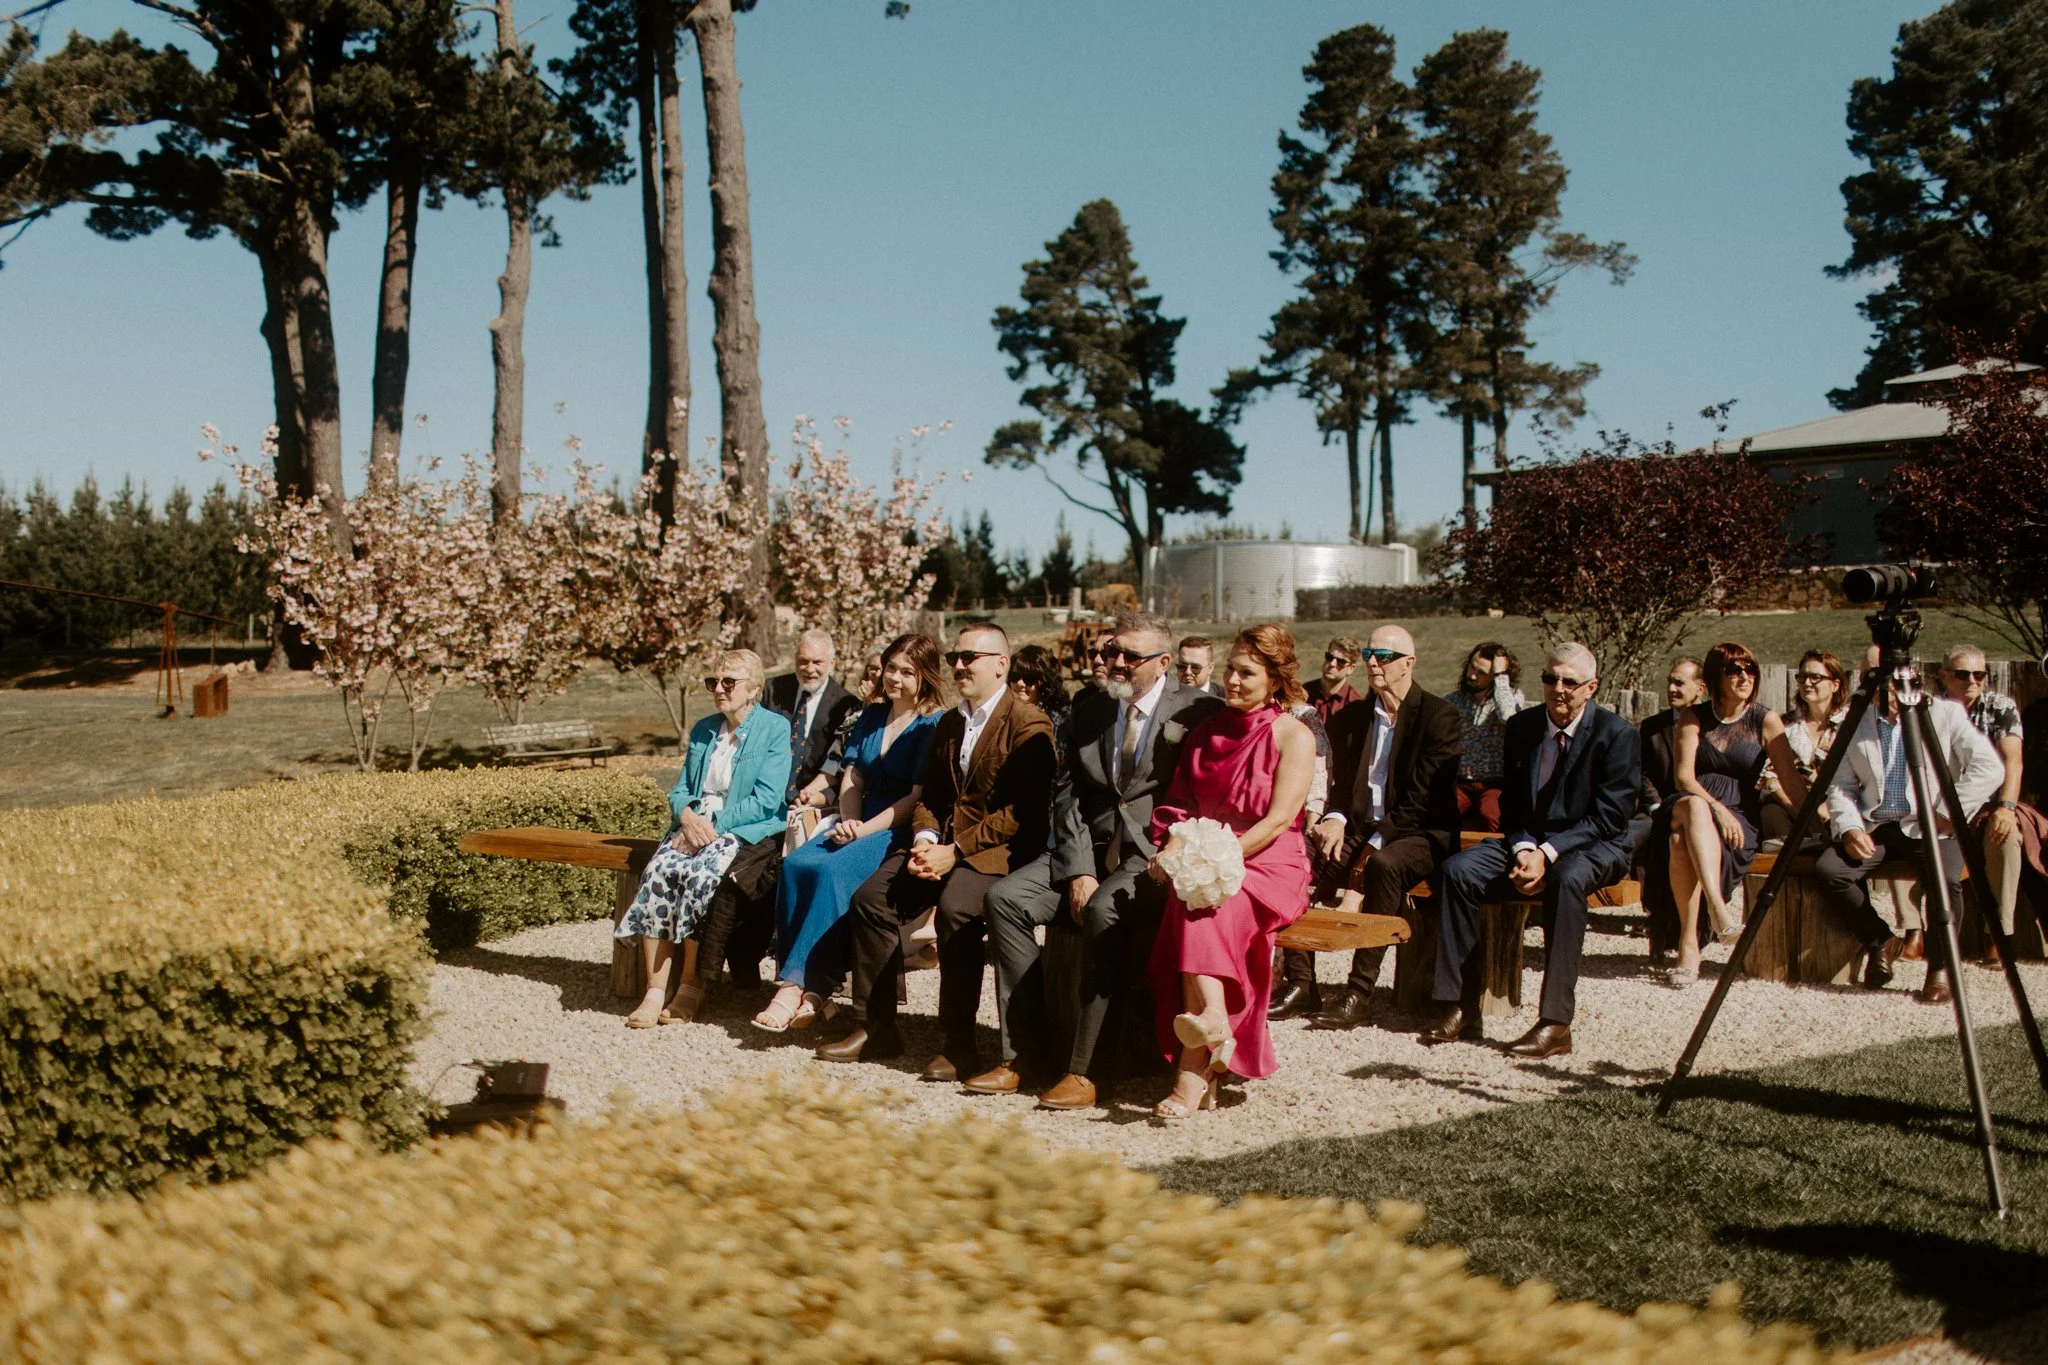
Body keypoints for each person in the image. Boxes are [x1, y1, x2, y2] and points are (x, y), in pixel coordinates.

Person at [979, 612, 1223, 1109]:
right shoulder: (1089, 709)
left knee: (1103, 911)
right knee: (1004, 898)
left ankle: (1087, 1071)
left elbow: (1206, 795)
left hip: (1151, 856)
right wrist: (1079, 869)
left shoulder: (1198, 711)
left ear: (1163, 663)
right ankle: (1024, 1053)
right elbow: (1067, 797)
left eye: (1130, 657)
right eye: (1112, 652)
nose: (1115, 663)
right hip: (1087, 851)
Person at [816, 623, 1056, 1074]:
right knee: (872, 901)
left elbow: (1020, 813)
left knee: (957, 908)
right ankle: (876, 1027)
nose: (960, 666)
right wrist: (925, 841)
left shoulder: (1028, 723)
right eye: (955, 658)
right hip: (942, 847)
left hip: (999, 852)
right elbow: (933, 799)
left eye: (971, 658)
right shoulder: (950, 722)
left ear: (1002, 665)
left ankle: (959, 1044)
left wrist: (956, 850)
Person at [1418, 643, 1639, 1059]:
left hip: (1595, 843)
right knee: (1458, 871)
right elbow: (1513, 806)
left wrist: (1548, 853)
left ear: (1590, 688)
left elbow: (1609, 818)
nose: (1558, 688)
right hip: (1528, 839)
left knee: (1568, 878)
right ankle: (1460, 1007)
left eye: (1569, 681)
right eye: (1550, 678)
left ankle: (1555, 1023)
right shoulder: (1522, 727)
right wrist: (1523, 847)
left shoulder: (1617, 735)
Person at [1144, 625, 1316, 1120]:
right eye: (1231, 671)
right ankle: (1211, 1032)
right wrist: (1176, 850)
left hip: (1270, 859)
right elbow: (1178, 804)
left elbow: (1281, 818)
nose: (1234, 682)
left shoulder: (1293, 735)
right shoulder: (1207, 731)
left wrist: (1217, 860)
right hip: (1212, 852)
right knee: (1192, 899)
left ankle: (1193, 1066)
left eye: (1247, 673)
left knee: (1208, 904)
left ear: (1275, 679)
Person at [752, 634, 945, 1033]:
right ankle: (808, 987)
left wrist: (864, 830)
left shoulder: (933, 723)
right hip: (858, 817)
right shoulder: (873, 715)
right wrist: (848, 820)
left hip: (897, 826)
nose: (894, 678)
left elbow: (915, 797)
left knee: (831, 874)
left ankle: (797, 985)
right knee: (797, 864)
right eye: (891, 667)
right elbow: (852, 775)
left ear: (925, 677)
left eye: (907, 672)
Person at [1278, 625, 1463, 1030]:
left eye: (1384, 655)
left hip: (1420, 832)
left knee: (1384, 865)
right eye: (1368, 654)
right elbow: (1342, 783)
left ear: (1409, 663)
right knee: (1294, 853)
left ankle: (1359, 993)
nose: (1373, 663)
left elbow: (1420, 800)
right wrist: (1336, 818)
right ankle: (1301, 983)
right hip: (1360, 827)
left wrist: (1370, 846)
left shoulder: (1439, 718)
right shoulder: (1356, 717)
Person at [615, 649, 791, 1028]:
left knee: (701, 880)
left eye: (729, 682)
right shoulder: (704, 729)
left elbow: (767, 799)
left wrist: (711, 827)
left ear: (755, 689)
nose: (719, 689)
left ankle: (691, 985)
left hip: (741, 827)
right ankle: (654, 989)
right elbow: (679, 789)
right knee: (659, 871)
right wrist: (687, 816)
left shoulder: (773, 729)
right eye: (714, 682)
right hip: (697, 824)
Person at [1818, 654, 2002, 1005]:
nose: (1884, 683)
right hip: (1879, 823)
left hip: (1930, 823)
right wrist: (1850, 827)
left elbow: (1989, 767)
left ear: (1910, 675)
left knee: (1946, 882)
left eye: (1891, 674)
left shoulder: (1943, 713)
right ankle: (1880, 939)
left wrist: (1948, 809)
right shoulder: (1857, 721)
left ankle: (1940, 968)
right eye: (1875, 675)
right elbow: (1841, 784)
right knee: (1831, 870)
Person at [1662, 642, 1810, 987]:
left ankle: (1689, 946)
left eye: (1750, 669)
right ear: (1716, 676)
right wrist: (1717, 808)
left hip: (1740, 811)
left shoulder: (1765, 719)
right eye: (1734, 670)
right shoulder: (1694, 716)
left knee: (1679, 842)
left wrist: (1816, 821)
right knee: (1693, 809)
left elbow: (1789, 778)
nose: (1744, 676)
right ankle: (1718, 909)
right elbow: (1683, 776)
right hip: (1691, 800)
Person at [1939, 643, 2041, 961]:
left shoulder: (1999, 706)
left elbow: (2014, 761)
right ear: (1944, 676)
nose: (1972, 680)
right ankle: (1914, 931)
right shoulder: (1930, 710)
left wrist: (2007, 808)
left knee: (2006, 835)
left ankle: (1999, 933)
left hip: (1988, 805)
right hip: (1941, 805)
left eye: (1979, 674)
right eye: (1962, 673)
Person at [1637, 658, 1707, 962]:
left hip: (1699, 811)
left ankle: (1693, 931)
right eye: (1670, 681)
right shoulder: (1653, 728)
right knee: (1651, 842)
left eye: (1680, 682)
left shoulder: (1711, 726)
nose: (1671, 688)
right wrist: (1655, 805)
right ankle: (1659, 923)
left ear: (1700, 688)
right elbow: (1640, 773)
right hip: (1660, 808)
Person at [1760, 650, 1851, 846]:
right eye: (1802, 677)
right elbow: (1769, 777)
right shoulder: (1784, 725)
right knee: (1771, 813)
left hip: (1837, 807)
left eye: (1815, 677)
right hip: (1792, 808)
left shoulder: (1851, 725)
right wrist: (1802, 813)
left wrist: (1830, 808)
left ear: (1835, 684)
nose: (1807, 683)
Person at [771, 629, 862, 811]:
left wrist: (820, 796)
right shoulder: (772, 690)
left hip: (812, 801)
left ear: (832, 663)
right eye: (803, 661)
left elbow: (843, 767)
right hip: (768, 793)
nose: (809, 669)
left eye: (817, 662)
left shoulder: (847, 706)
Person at [1445, 642, 1527, 833]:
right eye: (1472, 666)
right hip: (1461, 781)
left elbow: (1509, 718)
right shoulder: (1453, 701)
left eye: (1482, 672)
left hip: (1495, 783)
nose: (1472, 675)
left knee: (1491, 815)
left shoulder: (1511, 697)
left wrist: (1500, 678)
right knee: (1443, 810)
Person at [1008, 642, 1073, 761]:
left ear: (1044, 681)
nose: (1020, 684)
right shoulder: (1001, 713)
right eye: (1015, 676)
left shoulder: (1063, 718)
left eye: (1029, 678)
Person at [1305, 637, 1364, 724]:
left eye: (1340, 661)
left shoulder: (1355, 705)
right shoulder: (1303, 693)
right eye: (1329, 657)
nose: (1332, 664)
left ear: (1351, 669)